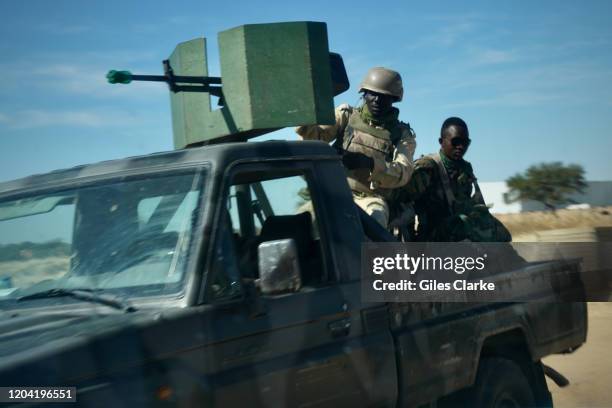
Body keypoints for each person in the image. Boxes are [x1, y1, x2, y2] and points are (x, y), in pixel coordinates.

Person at [296, 67, 416, 227]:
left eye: (384, 96)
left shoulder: (402, 134)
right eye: (372, 94)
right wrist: (303, 113)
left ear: (394, 99)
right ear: (364, 94)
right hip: (334, 191)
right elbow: (316, 136)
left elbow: (403, 173)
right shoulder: (346, 115)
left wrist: (370, 163)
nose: (377, 100)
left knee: (374, 223)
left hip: (370, 199)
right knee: (301, 223)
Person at [392, 117, 511, 242]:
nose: (460, 147)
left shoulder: (465, 168)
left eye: (465, 142)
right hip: (433, 237)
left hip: (460, 230)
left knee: (502, 234)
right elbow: (402, 202)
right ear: (441, 141)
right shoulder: (428, 168)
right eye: (456, 141)